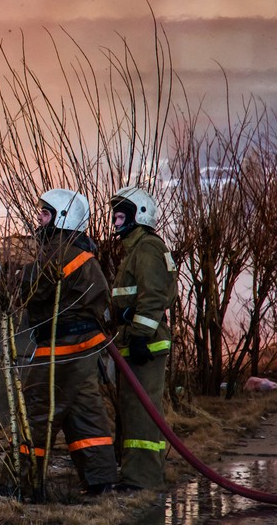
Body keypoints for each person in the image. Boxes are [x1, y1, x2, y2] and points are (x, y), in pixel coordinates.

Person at [19, 188, 117, 497]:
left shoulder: (60, 251)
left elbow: (37, 287)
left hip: (61, 349)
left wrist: (15, 276)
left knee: (36, 411)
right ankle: (101, 480)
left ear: (62, 219)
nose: (39, 219)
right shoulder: (79, 251)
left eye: (45, 214)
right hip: (83, 350)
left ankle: (26, 485)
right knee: (83, 412)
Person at [109, 186, 178, 491]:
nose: (115, 220)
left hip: (145, 344)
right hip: (137, 340)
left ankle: (143, 480)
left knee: (142, 413)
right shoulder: (136, 249)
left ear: (140, 215)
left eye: (121, 214)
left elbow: (154, 296)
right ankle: (134, 475)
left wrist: (139, 336)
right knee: (133, 410)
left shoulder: (147, 247)